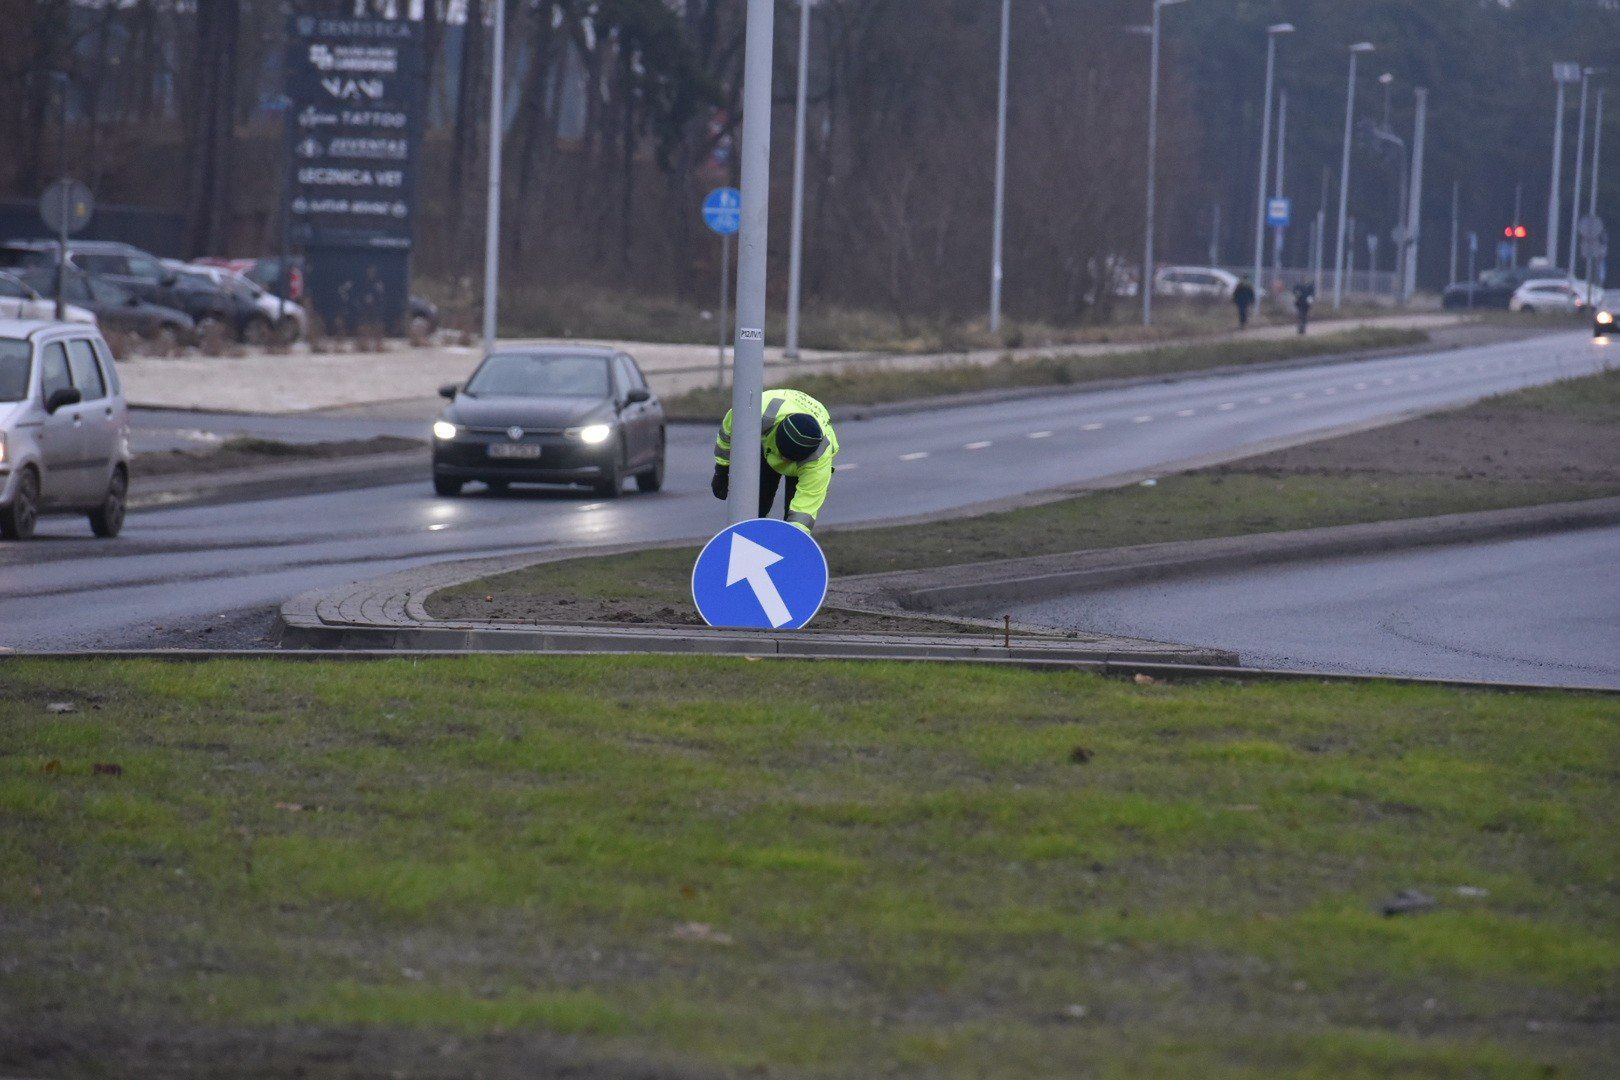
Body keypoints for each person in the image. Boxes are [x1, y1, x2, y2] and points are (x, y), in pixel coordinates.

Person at [711, 388, 839, 532]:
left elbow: (803, 513)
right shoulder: (760, 412)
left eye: (789, 459)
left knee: (792, 520)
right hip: (767, 445)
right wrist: (722, 469)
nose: (783, 461)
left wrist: (790, 541)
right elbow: (727, 432)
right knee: (754, 509)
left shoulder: (819, 461)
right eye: (782, 454)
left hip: (802, 466)